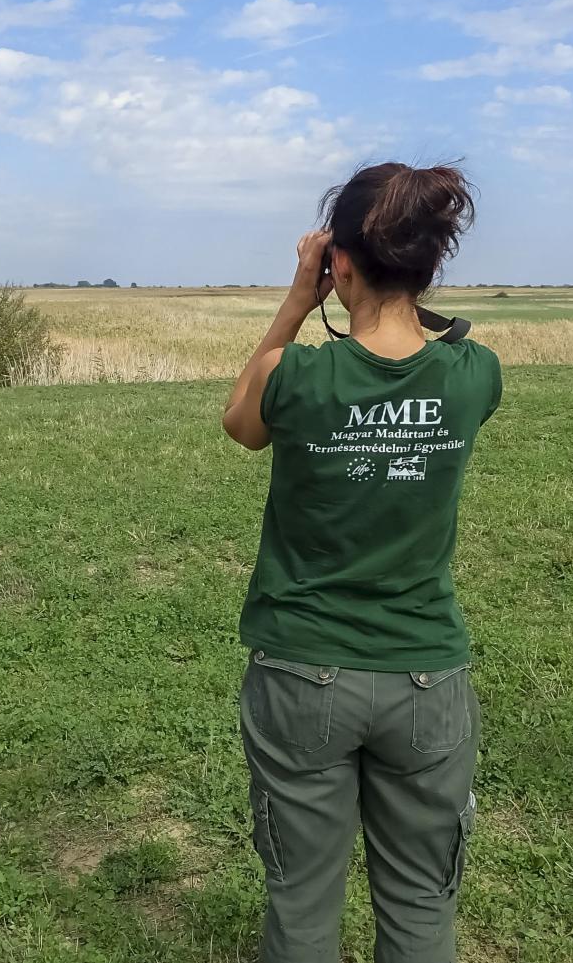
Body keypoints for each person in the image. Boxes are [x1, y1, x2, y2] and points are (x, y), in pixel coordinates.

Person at [221, 161, 502, 963]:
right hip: (426, 679)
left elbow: (241, 422)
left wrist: (298, 299)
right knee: (421, 906)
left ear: (335, 262)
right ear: (429, 262)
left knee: (303, 909)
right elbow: (431, 341)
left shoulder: (295, 373)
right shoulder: (474, 375)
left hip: (302, 672)